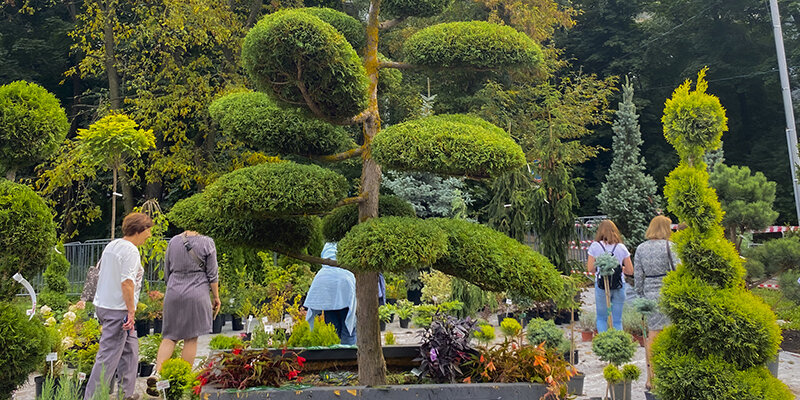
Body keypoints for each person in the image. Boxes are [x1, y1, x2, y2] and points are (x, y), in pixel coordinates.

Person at [85, 213, 153, 400]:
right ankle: (92, 397)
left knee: (130, 350)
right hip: (118, 310)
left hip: (105, 305)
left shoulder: (112, 245)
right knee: (108, 357)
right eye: (148, 230)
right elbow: (127, 283)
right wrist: (131, 311)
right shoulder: (130, 251)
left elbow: (99, 272)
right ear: (139, 230)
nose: (149, 235)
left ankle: (127, 394)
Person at [634, 215, 680, 390]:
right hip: (668, 295)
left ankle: (651, 378)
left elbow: (638, 276)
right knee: (671, 336)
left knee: (651, 337)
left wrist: (642, 295)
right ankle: (670, 375)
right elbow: (679, 270)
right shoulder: (671, 247)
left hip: (650, 296)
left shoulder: (641, 248)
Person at [303, 242, 357, 345]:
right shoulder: (346, 274)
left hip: (328, 304)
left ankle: (335, 357)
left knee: (332, 331)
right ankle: (350, 357)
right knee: (348, 332)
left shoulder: (321, 275)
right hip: (346, 299)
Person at [587, 220, 633, 332]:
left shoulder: (595, 246)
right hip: (619, 284)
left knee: (601, 318)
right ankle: (618, 345)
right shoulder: (621, 247)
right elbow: (630, 271)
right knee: (617, 320)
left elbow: (590, 269)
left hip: (602, 285)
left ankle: (604, 344)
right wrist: (620, 268)